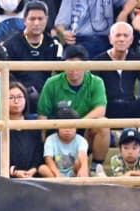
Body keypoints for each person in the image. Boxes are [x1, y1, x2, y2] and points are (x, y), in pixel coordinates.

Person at [37, 45, 109, 175]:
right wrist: (44, 144)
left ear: (86, 66)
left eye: (77, 65)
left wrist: (77, 124)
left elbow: (100, 109)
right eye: (69, 65)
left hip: (83, 129)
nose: (73, 70)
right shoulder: (51, 83)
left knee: (103, 123)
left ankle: (95, 166)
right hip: (57, 131)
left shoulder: (96, 82)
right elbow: (43, 114)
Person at [2, 0, 64, 113]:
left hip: (47, 93)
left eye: (40, 19)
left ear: (46, 19)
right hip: (19, 95)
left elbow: (59, 76)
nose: (36, 23)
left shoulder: (54, 45)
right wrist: (23, 91)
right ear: (24, 20)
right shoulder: (10, 44)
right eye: (32, 19)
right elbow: (8, 77)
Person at [93, 22, 140, 120]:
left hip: (130, 105)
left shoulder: (136, 58)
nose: (122, 39)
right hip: (108, 106)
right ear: (110, 39)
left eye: (125, 36)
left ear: (131, 40)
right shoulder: (99, 60)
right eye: (118, 35)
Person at [0, 81, 43, 178]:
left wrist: (34, 169)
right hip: (7, 180)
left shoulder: (33, 124)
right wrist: (14, 171)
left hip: (33, 177)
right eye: (11, 98)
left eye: (19, 97)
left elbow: (39, 152)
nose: (16, 101)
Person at [38, 109, 89, 178]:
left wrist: (84, 168)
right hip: (56, 173)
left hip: (74, 172)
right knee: (42, 168)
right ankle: (58, 185)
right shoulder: (50, 139)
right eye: (64, 127)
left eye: (71, 127)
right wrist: (57, 173)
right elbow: (48, 159)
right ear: (57, 127)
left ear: (76, 127)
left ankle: (78, 183)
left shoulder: (81, 140)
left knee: (79, 163)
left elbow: (82, 154)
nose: (67, 130)